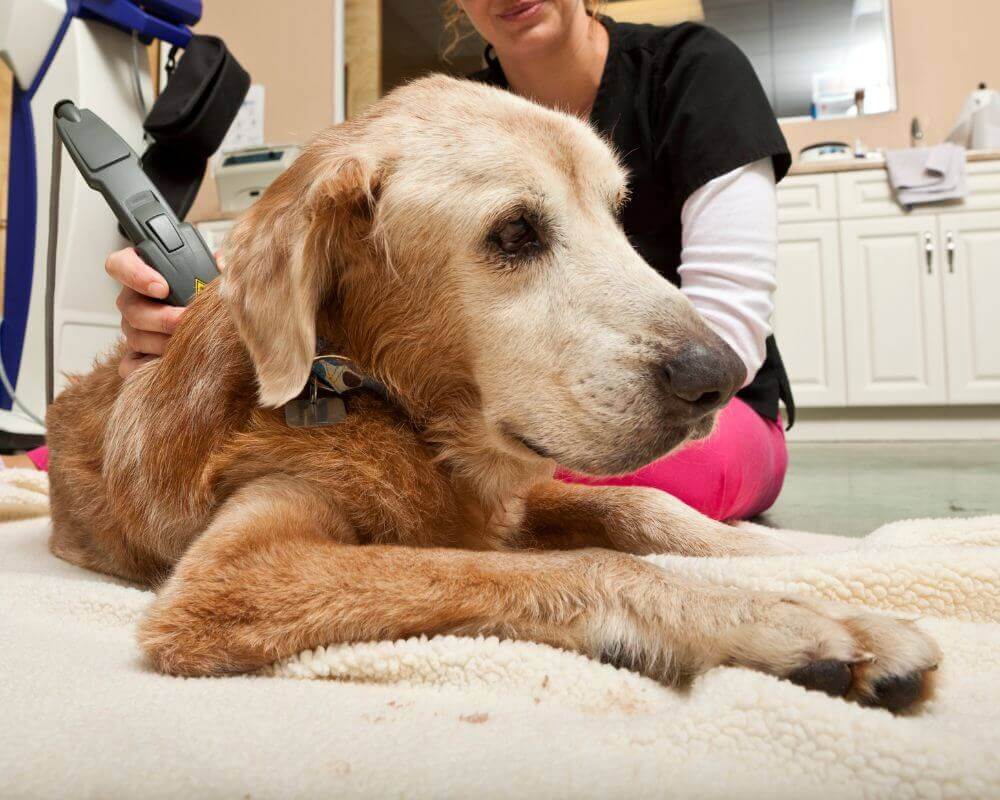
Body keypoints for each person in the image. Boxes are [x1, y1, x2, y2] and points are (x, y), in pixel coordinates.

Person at [13, 0, 795, 522]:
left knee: (675, 482)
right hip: (485, 416)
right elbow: (364, 315)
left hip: (715, 404)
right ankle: (48, 461)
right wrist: (206, 319)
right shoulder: (454, 122)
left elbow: (727, 330)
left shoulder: (696, 69)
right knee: (364, 455)